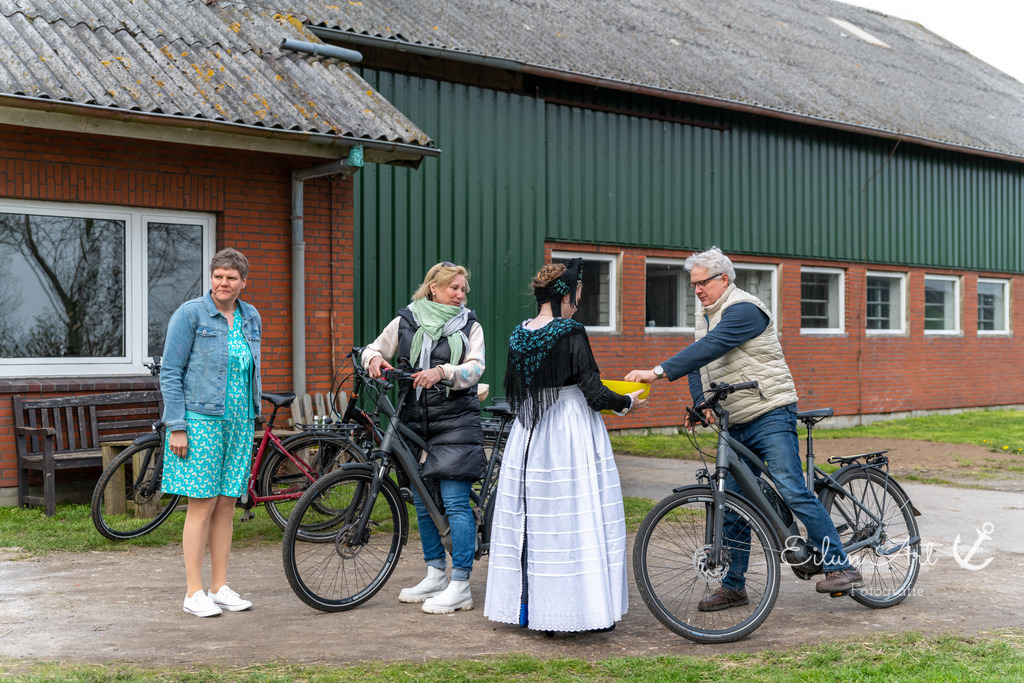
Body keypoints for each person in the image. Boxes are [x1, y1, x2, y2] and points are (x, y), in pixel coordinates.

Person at [625, 246, 862, 611]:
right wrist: (701, 403)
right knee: (734, 504)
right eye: (693, 284)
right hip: (733, 420)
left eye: (702, 282)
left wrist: (656, 373)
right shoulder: (705, 315)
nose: (697, 290)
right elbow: (699, 361)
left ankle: (840, 565)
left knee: (791, 488)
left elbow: (712, 346)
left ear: (724, 279)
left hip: (769, 412)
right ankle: (734, 587)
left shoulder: (745, 309)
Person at [484, 258, 645, 634]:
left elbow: (521, 388)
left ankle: (534, 609)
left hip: (530, 433)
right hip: (570, 432)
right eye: (577, 296)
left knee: (537, 516)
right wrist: (628, 403)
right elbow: (593, 392)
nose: (577, 303)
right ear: (564, 296)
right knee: (575, 514)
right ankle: (578, 609)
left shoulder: (518, 333)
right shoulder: (571, 331)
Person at [361, 261, 486, 614]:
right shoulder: (407, 319)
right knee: (421, 498)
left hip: (456, 420)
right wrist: (372, 359)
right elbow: (374, 347)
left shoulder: (469, 325)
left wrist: (443, 371)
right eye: (454, 288)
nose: (461, 295)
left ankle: (461, 583)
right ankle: (435, 573)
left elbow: (476, 366)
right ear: (433, 287)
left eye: (463, 289)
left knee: (455, 501)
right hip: (414, 421)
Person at [160, 248, 261, 618]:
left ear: (243, 283)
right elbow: (170, 371)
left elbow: (250, 370)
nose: (223, 282)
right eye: (218, 275)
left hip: (239, 422)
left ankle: (219, 587)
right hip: (200, 422)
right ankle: (193, 592)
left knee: (226, 505)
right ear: (212, 278)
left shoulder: (251, 317)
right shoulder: (190, 314)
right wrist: (177, 426)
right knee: (201, 505)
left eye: (231, 277)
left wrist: (253, 415)